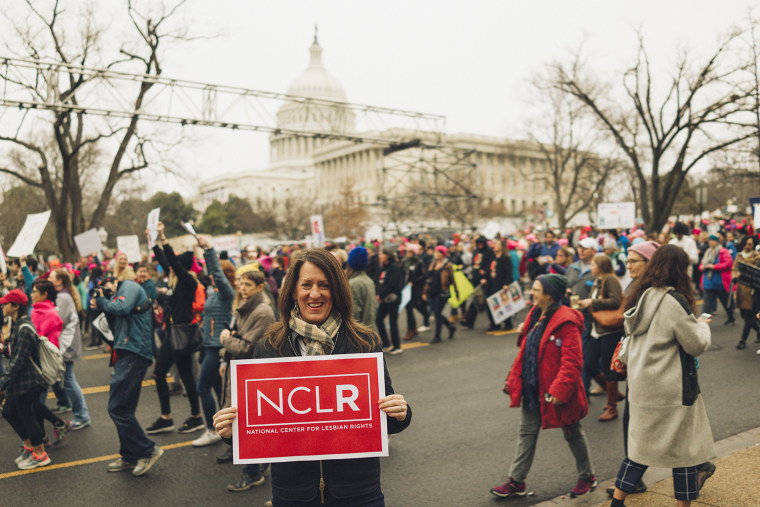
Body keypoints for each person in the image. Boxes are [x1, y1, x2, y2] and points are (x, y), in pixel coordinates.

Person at [213, 248, 411, 506]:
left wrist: (401, 414)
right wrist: (232, 431)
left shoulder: (364, 342)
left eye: (324, 285)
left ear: (337, 290)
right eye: (306, 284)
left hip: (357, 491)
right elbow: (260, 427)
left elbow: (385, 421)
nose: (315, 294)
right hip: (294, 493)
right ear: (293, 291)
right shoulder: (269, 347)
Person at [610, 244, 716, 507]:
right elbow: (695, 344)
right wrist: (702, 327)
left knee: (639, 450)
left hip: (643, 385)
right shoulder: (674, 300)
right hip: (672, 388)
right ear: (680, 270)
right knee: (684, 452)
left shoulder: (642, 296)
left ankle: (617, 500)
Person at [492, 274, 597, 499]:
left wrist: (559, 391)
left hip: (556, 391)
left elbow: (573, 362)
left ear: (549, 295)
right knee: (527, 433)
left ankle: (588, 477)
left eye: (536, 289)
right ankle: (516, 481)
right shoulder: (535, 314)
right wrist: (512, 378)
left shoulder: (566, 321)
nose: (531, 292)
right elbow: (525, 353)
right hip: (533, 388)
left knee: (572, 432)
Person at [92, 275, 164, 476]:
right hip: (126, 352)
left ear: (115, 281)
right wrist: (104, 303)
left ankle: (148, 450)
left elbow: (121, 309)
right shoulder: (116, 297)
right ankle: (130, 456)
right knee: (124, 409)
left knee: (117, 408)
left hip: (134, 352)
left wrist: (102, 300)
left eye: (105, 287)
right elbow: (114, 324)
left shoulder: (129, 286)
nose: (105, 292)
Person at [218, 269, 276, 491]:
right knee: (248, 422)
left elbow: (245, 347)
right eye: (241, 284)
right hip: (243, 370)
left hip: (252, 374)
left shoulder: (263, 312)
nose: (242, 288)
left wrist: (225, 341)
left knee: (245, 422)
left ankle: (251, 472)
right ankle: (259, 465)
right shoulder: (246, 307)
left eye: (247, 285)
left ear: (260, 287)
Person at [147, 222, 203, 434]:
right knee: (159, 374)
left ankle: (196, 417)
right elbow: (164, 260)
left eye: (176, 265)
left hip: (182, 334)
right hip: (172, 333)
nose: (171, 267)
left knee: (187, 376)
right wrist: (152, 240)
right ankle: (166, 417)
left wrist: (163, 237)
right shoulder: (176, 281)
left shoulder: (188, 281)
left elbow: (172, 262)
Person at [0, 289, 55, 469]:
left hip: (29, 382)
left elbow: (18, 362)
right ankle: (30, 446)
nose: (2, 306)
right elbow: (15, 354)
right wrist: (3, 349)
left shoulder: (24, 328)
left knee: (27, 416)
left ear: (15, 306)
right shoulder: (18, 324)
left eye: (6, 304)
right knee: (9, 412)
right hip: (21, 382)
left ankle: (40, 455)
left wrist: (3, 382)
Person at [192, 237, 237, 447]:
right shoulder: (215, 292)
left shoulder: (227, 293)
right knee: (220, 393)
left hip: (217, 348)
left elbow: (216, 274)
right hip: (209, 345)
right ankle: (223, 430)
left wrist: (209, 250)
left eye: (215, 274)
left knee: (202, 388)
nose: (210, 276)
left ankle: (211, 430)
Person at [578, 255, 625, 422]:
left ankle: (612, 407)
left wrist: (592, 302)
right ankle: (613, 393)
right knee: (589, 364)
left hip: (609, 330)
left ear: (601, 265)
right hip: (595, 330)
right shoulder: (598, 280)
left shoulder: (610, 279)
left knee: (608, 368)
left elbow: (614, 300)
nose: (591, 266)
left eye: (593, 264)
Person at [49, 268, 91, 430]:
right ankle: (78, 413)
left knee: (69, 381)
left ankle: (82, 416)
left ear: (60, 281)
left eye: (52, 277)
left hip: (66, 344)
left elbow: (57, 320)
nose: (49, 279)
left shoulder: (64, 297)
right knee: (67, 380)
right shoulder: (63, 296)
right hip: (66, 344)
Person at [699, 234, 735, 326]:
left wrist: (714, 266)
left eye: (713, 240)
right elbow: (701, 264)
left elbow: (728, 263)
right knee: (706, 304)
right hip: (708, 281)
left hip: (720, 282)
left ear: (717, 242)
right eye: (710, 240)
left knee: (725, 301)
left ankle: (731, 317)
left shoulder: (723, 251)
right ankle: (703, 323)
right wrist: (702, 267)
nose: (711, 242)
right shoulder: (707, 251)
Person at [732, 235, 760, 350]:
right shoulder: (739, 256)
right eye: (746, 244)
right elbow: (734, 268)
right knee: (744, 315)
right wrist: (735, 276)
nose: (747, 246)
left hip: (752, 290)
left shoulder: (757, 256)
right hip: (741, 289)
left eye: (750, 244)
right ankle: (758, 330)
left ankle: (742, 340)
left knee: (749, 316)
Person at [425, 245, 457, 343]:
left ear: (443, 254)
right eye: (436, 252)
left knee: (437, 313)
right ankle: (450, 326)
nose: (437, 254)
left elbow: (453, 279)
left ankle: (437, 336)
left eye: (439, 252)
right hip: (432, 291)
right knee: (436, 313)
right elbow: (428, 278)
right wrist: (425, 291)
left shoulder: (448, 264)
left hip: (442, 293)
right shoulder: (433, 264)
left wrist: (456, 292)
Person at [375, 248, 404, 355]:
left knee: (392, 322)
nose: (380, 256)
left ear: (388, 255)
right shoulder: (383, 268)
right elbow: (379, 282)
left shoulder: (394, 267)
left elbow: (392, 284)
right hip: (384, 299)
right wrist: (378, 292)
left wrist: (380, 294)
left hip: (393, 299)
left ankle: (397, 346)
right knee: (379, 319)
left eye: (382, 254)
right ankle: (386, 344)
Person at [345, 247, 378, 333]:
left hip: (361, 333)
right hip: (371, 330)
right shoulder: (368, 280)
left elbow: (354, 313)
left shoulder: (354, 283)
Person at [401, 244, 430, 340]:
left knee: (415, 307)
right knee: (409, 309)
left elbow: (424, 275)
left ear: (414, 252)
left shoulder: (419, 262)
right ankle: (412, 329)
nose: (408, 253)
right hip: (406, 289)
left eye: (410, 251)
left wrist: (413, 282)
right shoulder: (404, 261)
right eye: (407, 251)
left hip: (415, 289)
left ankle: (412, 329)